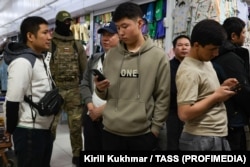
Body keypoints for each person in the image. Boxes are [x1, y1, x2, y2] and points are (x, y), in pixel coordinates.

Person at [94, 2, 170, 150]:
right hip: (110, 131)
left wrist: (155, 129)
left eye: (125, 26)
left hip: (142, 134)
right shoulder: (112, 55)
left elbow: (163, 97)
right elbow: (105, 95)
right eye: (118, 28)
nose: (120, 32)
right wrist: (100, 89)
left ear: (140, 23)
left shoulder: (158, 56)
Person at [176, 19, 239, 151]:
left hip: (215, 136)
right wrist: (216, 96)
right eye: (212, 49)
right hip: (200, 139)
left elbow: (205, 95)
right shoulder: (189, 71)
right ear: (197, 45)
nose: (216, 53)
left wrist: (222, 89)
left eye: (217, 49)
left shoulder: (205, 61)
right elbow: (184, 113)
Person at [3, 16, 53, 167]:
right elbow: (12, 101)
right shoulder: (23, 62)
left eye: (49, 32)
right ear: (30, 36)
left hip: (42, 129)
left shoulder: (39, 58)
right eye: (45, 33)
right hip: (29, 132)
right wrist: (10, 130)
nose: (49, 37)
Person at [49, 10, 87, 166]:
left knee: (76, 126)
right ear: (57, 23)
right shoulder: (50, 43)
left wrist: (84, 91)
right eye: (64, 22)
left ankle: (77, 155)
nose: (67, 25)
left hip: (73, 90)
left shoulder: (77, 45)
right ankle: (45, 155)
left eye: (68, 22)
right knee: (50, 127)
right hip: (55, 90)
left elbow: (84, 70)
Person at [212, 17, 250, 150]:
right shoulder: (230, 58)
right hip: (233, 119)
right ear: (233, 36)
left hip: (227, 118)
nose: (245, 36)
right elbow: (241, 89)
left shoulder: (222, 54)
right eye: (244, 32)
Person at [81, 21, 119, 150]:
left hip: (112, 120)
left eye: (110, 35)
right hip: (91, 117)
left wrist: (100, 111)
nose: (105, 39)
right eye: (103, 35)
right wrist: (91, 107)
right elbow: (85, 83)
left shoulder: (127, 63)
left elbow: (126, 94)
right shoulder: (95, 59)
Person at [166, 35, 191, 150]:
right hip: (173, 111)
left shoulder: (196, 65)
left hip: (193, 111)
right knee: (173, 143)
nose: (183, 48)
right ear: (174, 49)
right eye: (180, 45)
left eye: (187, 45)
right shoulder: (167, 66)